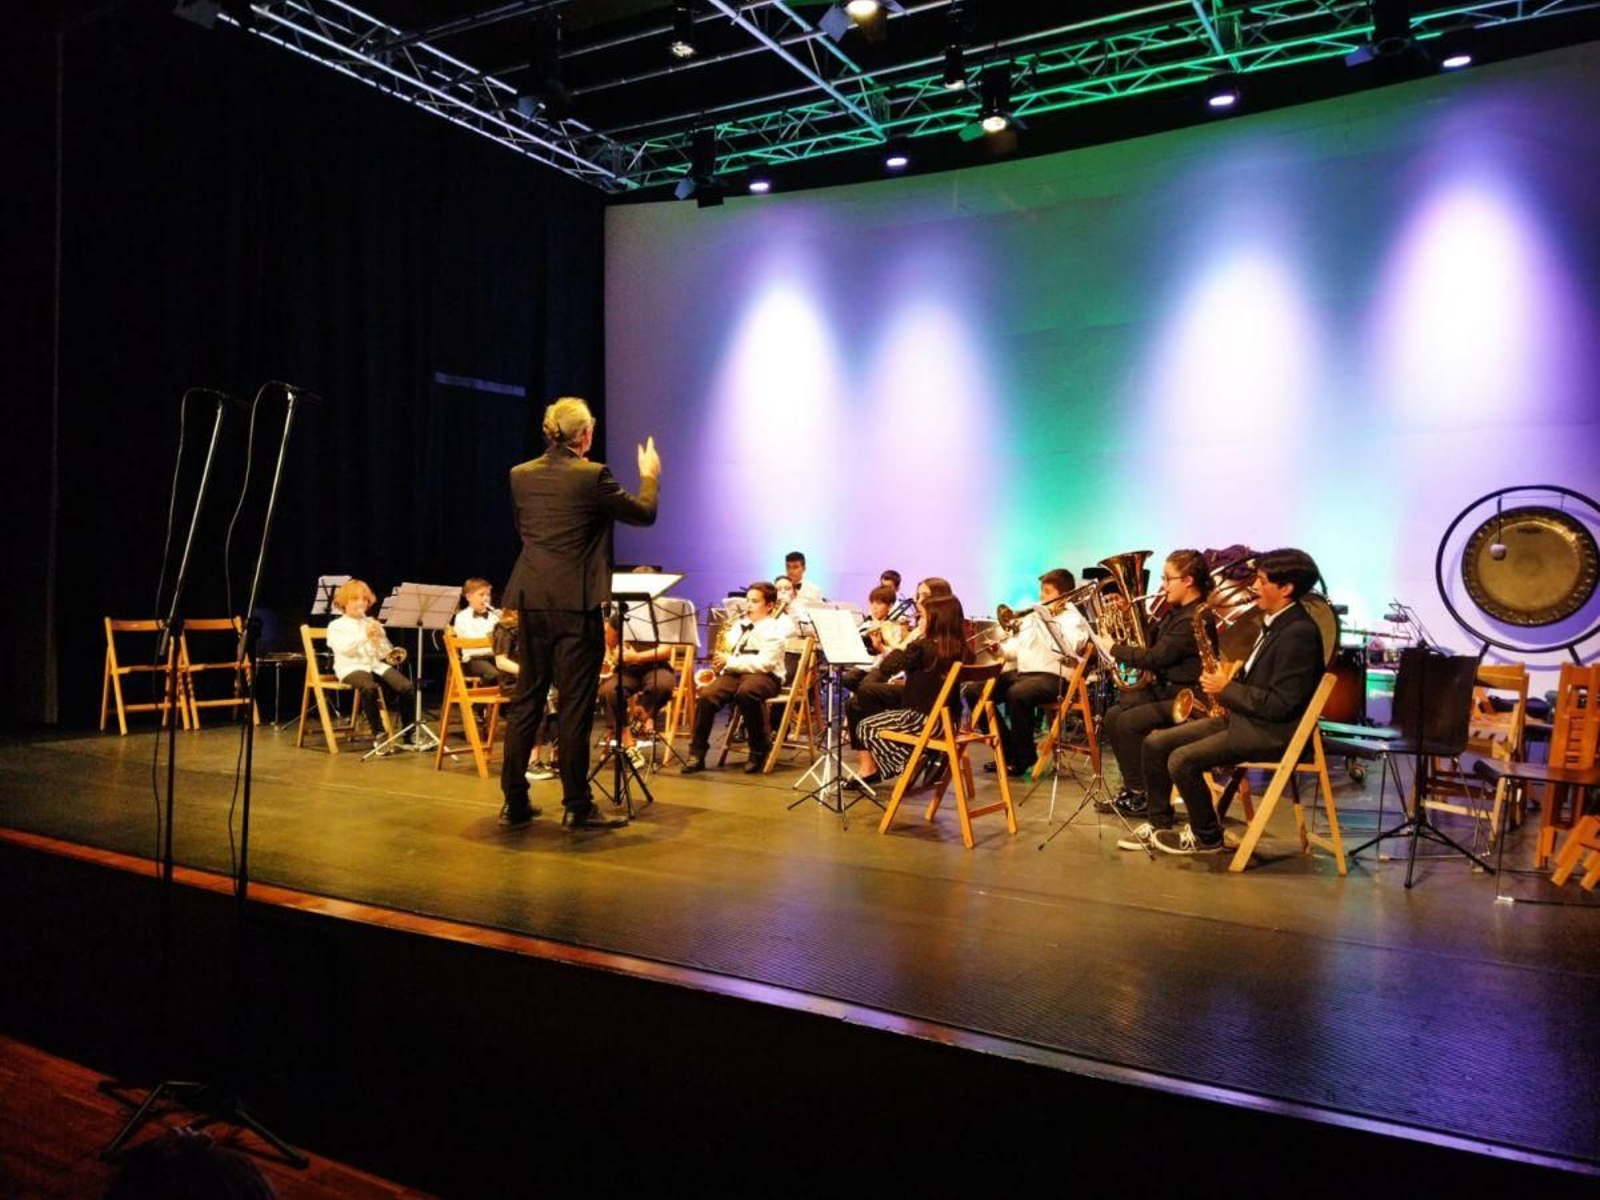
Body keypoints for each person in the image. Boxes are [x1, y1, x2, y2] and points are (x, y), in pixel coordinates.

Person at [498, 397, 661, 829]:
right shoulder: (593, 476)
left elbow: (526, 531)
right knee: (574, 705)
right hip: (575, 602)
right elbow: (644, 514)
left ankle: (514, 801)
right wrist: (649, 476)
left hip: (531, 595)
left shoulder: (520, 475)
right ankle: (577, 804)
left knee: (527, 699)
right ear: (584, 434)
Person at [1120, 548, 1327, 855]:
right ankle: (1159, 823)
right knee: (1155, 743)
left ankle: (1207, 836)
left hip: (1271, 733)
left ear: (1286, 588)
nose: (1253, 587)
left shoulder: (1299, 633)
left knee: (1181, 759)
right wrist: (1229, 681)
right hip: (1245, 720)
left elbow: (1281, 705)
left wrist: (1226, 688)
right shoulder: (1275, 623)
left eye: (1261, 581)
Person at [1099, 549, 1211, 817]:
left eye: (1167, 578)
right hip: (1166, 690)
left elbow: (1157, 657)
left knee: (1128, 721)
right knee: (1114, 715)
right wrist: (1130, 618)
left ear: (1188, 580)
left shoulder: (1194, 616)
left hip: (1186, 697)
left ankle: (1144, 795)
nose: (1162, 585)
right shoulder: (1175, 613)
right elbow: (1154, 641)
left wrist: (1114, 647)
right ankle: (1134, 788)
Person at [854, 594, 972, 786]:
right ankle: (914, 758)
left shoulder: (921, 646)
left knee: (865, 728)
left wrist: (909, 641)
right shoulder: (961, 649)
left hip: (923, 719)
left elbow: (887, 667)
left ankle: (907, 762)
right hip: (951, 722)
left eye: (922, 617)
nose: (918, 621)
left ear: (935, 621)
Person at [982, 568, 1090, 777]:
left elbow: (1067, 649)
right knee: (976, 692)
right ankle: (1006, 753)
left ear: (1064, 595)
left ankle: (1023, 758)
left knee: (1017, 694)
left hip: (1055, 678)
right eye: (1042, 591)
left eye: (1047, 592)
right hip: (1024, 673)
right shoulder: (1032, 618)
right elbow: (1015, 650)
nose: (1041, 597)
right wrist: (999, 649)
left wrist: (1046, 622)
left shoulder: (1074, 619)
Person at [683, 581, 795, 774]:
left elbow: (765, 663)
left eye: (755, 601)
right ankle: (697, 752)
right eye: (748, 600)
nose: (748, 605)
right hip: (736, 673)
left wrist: (730, 661)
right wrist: (723, 662)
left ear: (769, 606)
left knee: (747, 692)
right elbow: (730, 654)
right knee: (708, 695)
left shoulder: (776, 629)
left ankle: (759, 749)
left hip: (766, 677)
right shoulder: (739, 625)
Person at [325, 578, 414, 749]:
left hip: (374, 665)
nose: (362, 603)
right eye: (356, 599)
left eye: (365, 599)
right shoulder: (336, 626)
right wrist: (366, 635)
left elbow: (384, 653)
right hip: (350, 667)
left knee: (407, 687)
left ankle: (409, 734)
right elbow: (344, 649)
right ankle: (378, 733)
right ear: (345, 602)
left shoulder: (371, 623)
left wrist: (379, 638)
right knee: (369, 688)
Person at [598, 612, 677, 769]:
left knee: (663, 686)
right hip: (627, 669)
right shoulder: (620, 614)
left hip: (656, 666)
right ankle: (628, 743)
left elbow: (665, 651)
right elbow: (608, 641)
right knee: (609, 690)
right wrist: (610, 657)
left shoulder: (664, 614)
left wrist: (637, 657)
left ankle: (642, 714)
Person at [452, 577, 501, 685]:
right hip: (473, 660)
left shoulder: (494, 617)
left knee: (516, 671)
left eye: (488, 595)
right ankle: (481, 701)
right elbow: (470, 640)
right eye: (481, 595)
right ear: (469, 597)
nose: (486, 599)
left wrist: (504, 622)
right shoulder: (462, 617)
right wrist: (492, 638)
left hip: (493, 657)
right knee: (493, 674)